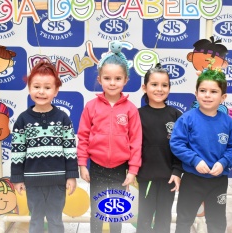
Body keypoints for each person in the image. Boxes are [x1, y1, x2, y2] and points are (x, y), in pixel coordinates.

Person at [77, 41, 142, 233]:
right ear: (99, 79)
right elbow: (83, 136)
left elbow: (136, 141)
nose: (112, 83)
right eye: (107, 78)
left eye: (117, 78)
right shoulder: (91, 106)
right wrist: (82, 164)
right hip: (96, 167)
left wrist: (132, 170)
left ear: (125, 80)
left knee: (115, 212)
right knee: (97, 211)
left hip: (120, 170)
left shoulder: (130, 109)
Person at [170, 68, 232, 233]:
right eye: (203, 91)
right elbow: (177, 143)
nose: (207, 95)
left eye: (213, 91)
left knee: (217, 222)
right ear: (196, 94)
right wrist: (195, 160)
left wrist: (224, 162)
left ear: (223, 97)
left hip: (218, 181)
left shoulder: (229, 123)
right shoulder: (187, 119)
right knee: (184, 219)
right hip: (192, 180)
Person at [10, 61, 79, 233]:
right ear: (29, 88)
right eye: (36, 86)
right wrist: (17, 177)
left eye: (47, 87)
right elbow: (18, 151)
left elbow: (70, 149)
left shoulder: (63, 118)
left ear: (56, 91)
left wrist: (71, 176)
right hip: (32, 182)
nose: (41, 91)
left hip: (57, 181)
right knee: (36, 220)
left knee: (56, 220)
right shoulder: (22, 120)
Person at [136, 63, 183, 233]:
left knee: (164, 219)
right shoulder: (137, 115)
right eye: (154, 84)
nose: (159, 89)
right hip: (146, 177)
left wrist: (177, 171)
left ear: (169, 88)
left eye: (164, 85)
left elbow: (181, 148)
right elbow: (133, 147)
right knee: (144, 219)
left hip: (169, 178)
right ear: (144, 87)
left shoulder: (176, 115)